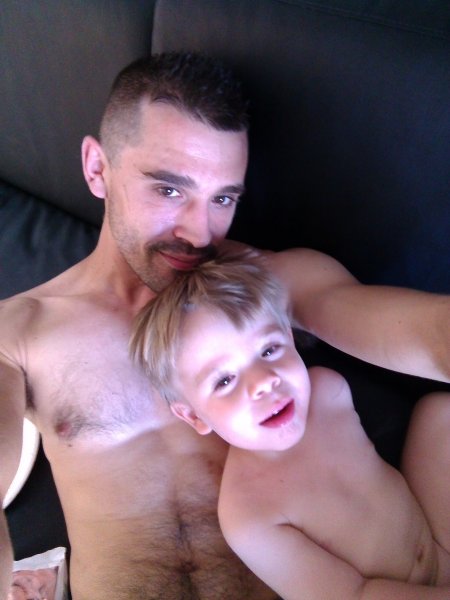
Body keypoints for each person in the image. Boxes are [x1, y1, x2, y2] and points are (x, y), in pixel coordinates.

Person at [0, 51, 448, 600]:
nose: (199, 232)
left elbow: (430, 333)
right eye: (169, 190)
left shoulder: (265, 287)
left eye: (223, 198)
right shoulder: (17, 335)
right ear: (97, 168)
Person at [130, 251, 450, 599]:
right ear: (193, 416)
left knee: (439, 411)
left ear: (289, 336)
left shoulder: (328, 392)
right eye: (224, 381)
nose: (264, 382)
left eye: (269, 350)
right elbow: (351, 594)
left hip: (438, 542)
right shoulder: (249, 514)